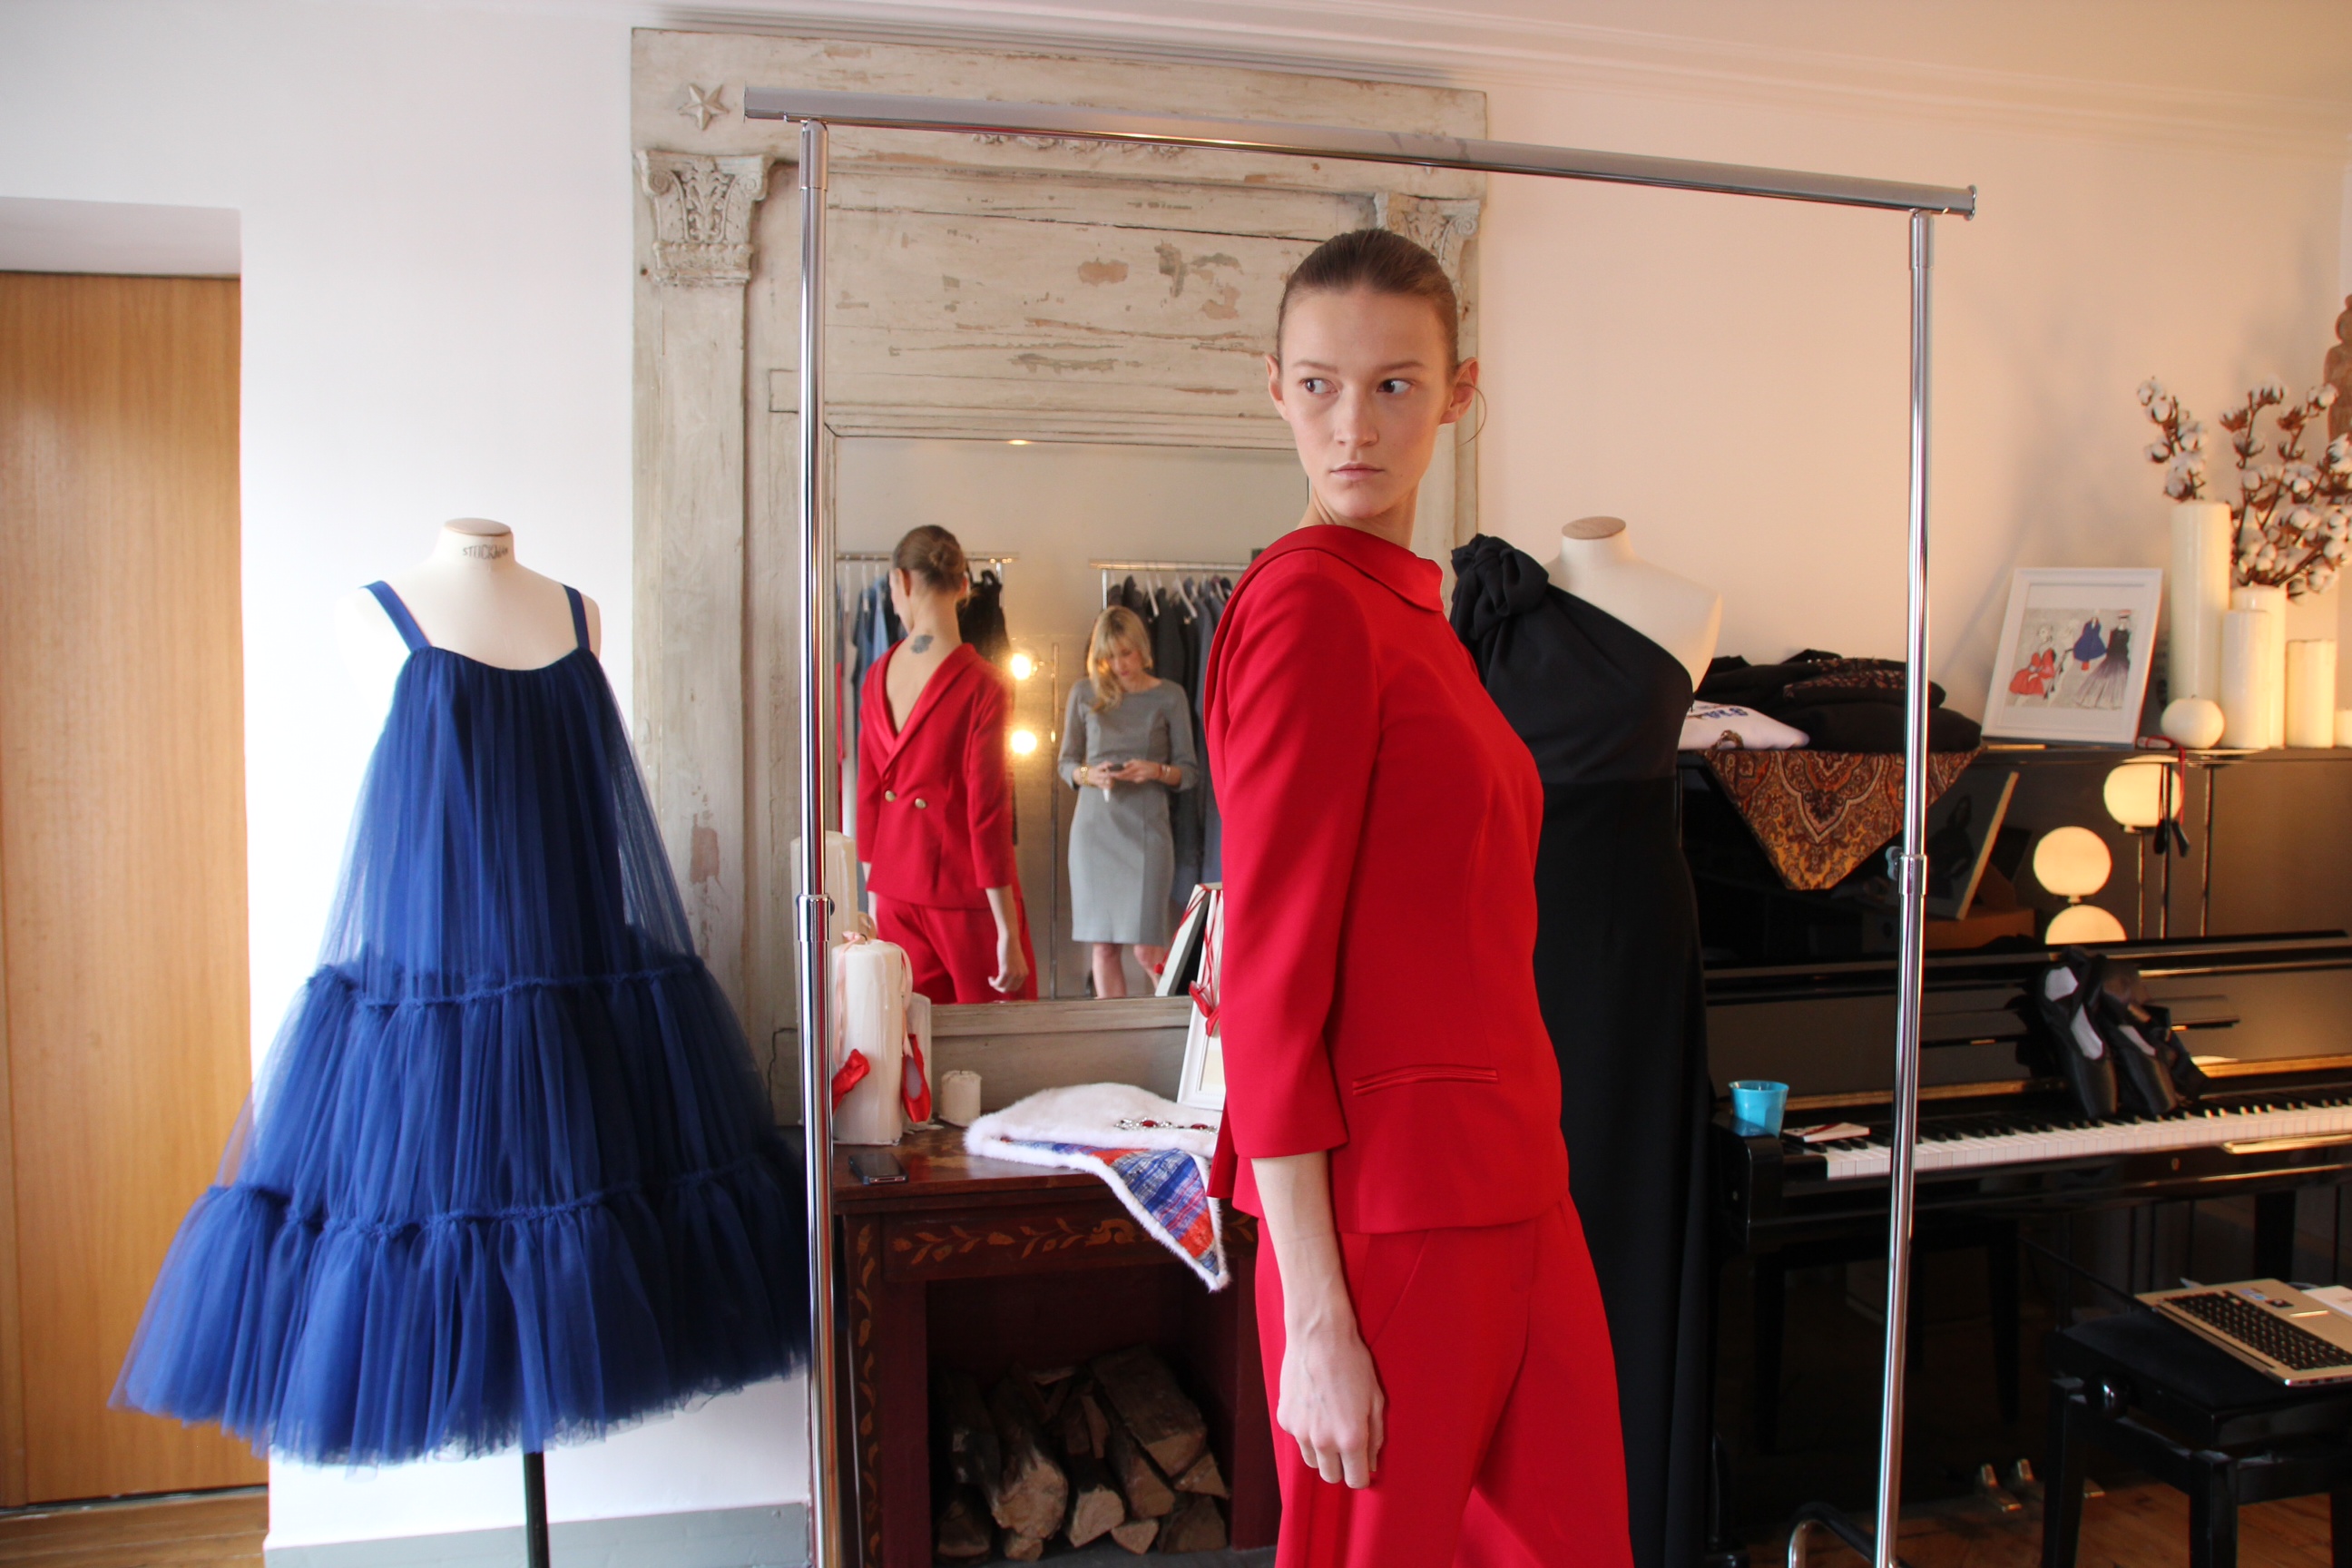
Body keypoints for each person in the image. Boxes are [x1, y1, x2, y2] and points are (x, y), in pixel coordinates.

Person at [1205, 228, 1632, 1566]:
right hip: (1387, 1222)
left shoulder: (1415, 617)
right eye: (1320, 385)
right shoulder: (1307, 609)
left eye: (1395, 384)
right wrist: (1317, 1314)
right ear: (1275, 387)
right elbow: (1268, 982)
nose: (1355, 425)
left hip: (1516, 1180)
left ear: (1458, 393)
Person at [856, 525, 1036, 1004]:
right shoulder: (985, 685)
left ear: (901, 580)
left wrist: (873, 898)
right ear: (963, 586)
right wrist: (1007, 930)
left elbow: (868, 796)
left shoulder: (876, 676)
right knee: (997, 1039)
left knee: (913, 1035)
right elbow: (987, 814)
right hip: (967, 898)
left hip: (894, 893)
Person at [1057, 604, 1199, 998]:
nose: (1119, 665)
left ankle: (1178, 1024)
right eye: (1109, 656)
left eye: (1126, 653)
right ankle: (1113, 1031)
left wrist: (1155, 770)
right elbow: (1066, 764)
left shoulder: (1170, 695)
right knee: (1103, 947)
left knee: (1147, 950)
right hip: (1095, 831)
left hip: (1146, 829)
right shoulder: (1084, 692)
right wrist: (1089, 774)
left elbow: (1189, 772)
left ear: (1142, 648)